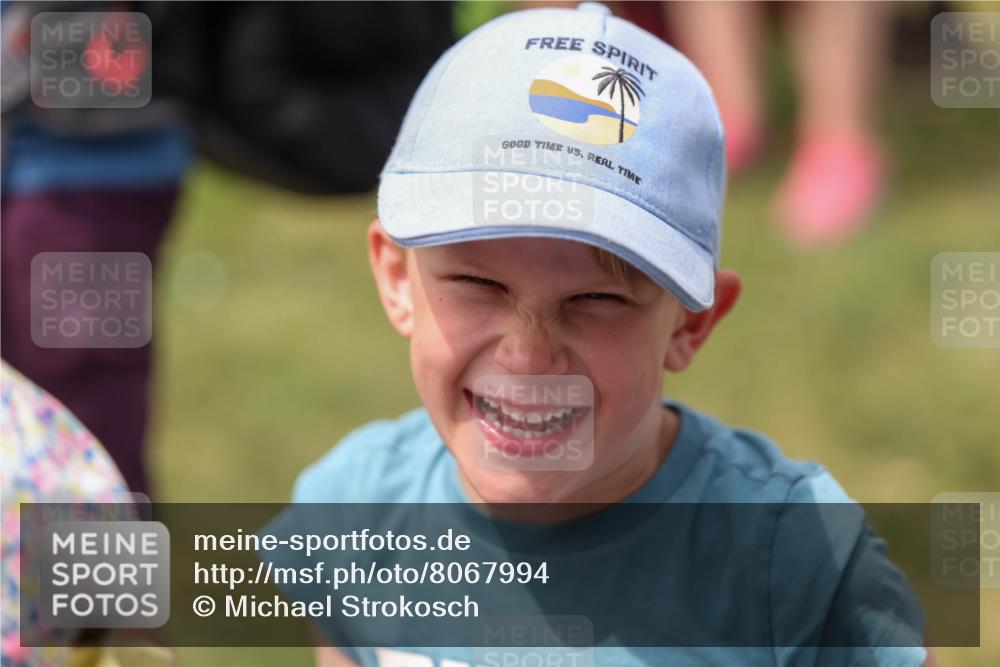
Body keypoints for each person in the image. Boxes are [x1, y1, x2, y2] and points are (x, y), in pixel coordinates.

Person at [277, 4, 930, 665]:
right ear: (396, 278)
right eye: (479, 284)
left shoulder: (799, 563)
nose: (528, 355)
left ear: (689, 323)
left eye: (596, 298)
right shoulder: (354, 507)